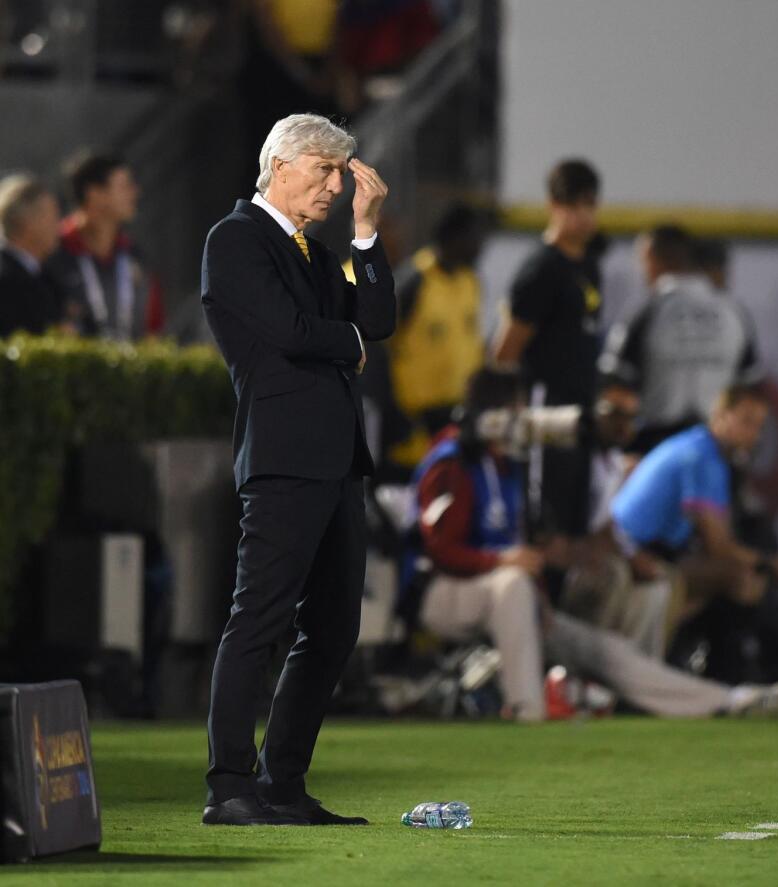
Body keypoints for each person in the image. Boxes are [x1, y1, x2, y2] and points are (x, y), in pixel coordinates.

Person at [408, 367, 778, 721]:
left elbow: (525, 552)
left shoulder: (509, 467)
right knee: (514, 584)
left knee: (605, 651)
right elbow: (438, 550)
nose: (522, 421)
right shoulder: (452, 460)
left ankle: (729, 700)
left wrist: (536, 593)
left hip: (508, 594)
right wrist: (499, 564)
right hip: (446, 594)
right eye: (515, 410)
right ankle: (528, 712)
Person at [200, 113, 395, 826]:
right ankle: (228, 785)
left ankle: (283, 782)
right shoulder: (236, 240)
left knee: (336, 626)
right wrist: (345, 341)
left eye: (341, 175)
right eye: (325, 171)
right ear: (281, 166)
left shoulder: (314, 251)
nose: (337, 186)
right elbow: (290, 332)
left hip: (338, 460)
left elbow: (376, 321)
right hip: (283, 459)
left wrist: (367, 235)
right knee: (258, 619)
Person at [609, 383, 778, 619]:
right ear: (720, 415)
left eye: (758, 426)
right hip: (628, 554)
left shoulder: (705, 451)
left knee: (741, 573)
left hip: (648, 551)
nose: (754, 434)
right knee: (739, 578)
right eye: (746, 421)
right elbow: (718, 546)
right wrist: (770, 564)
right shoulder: (701, 458)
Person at [492, 158, 603, 536]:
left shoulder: (588, 265)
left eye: (590, 205)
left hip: (580, 407)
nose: (583, 216)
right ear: (554, 206)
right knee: (546, 518)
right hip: (547, 409)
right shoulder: (541, 268)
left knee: (575, 519)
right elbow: (506, 350)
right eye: (574, 206)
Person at [601, 224, 760, 454]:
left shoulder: (648, 310)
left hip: (655, 447)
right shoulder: (734, 313)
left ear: (653, 259)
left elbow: (615, 386)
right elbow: (751, 390)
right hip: (716, 446)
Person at [557, 377, 679, 658]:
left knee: (656, 585)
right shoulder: (572, 458)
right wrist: (628, 556)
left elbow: (614, 527)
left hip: (601, 556)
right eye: (614, 414)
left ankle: (635, 679)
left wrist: (633, 555)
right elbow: (585, 532)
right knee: (613, 573)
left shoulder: (615, 464)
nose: (623, 425)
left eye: (631, 417)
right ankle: (586, 672)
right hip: (567, 567)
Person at [385, 202, 486, 472]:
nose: (480, 245)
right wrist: (393, 411)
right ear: (454, 237)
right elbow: (381, 347)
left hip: (456, 413)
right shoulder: (414, 281)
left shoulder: (470, 282)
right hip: (415, 421)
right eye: (474, 236)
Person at [45, 152, 164, 341]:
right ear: (95, 194)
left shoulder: (136, 257)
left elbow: (154, 331)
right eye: (125, 186)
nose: (135, 193)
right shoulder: (51, 253)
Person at [0, 173, 64, 337]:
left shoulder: (45, 277)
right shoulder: (6, 278)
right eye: (52, 216)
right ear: (27, 221)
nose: (59, 226)